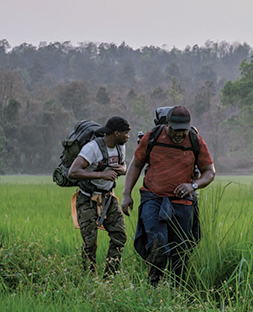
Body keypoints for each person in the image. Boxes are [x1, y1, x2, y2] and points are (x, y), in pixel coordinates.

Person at [120, 106, 215, 286]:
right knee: (158, 241)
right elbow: (136, 165)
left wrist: (193, 186)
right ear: (167, 124)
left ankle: (176, 289)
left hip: (182, 202)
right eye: (175, 130)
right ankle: (154, 285)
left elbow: (209, 171)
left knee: (181, 249)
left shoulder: (195, 141)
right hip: (153, 197)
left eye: (183, 130)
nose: (179, 134)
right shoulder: (153, 137)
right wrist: (126, 194)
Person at [67, 116, 131, 275]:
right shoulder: (92, 149)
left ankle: (110, 277)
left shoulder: (120, 147)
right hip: (87, 198)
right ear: (116, 133)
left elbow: (123, 164)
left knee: (120, 236)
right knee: (90, 244)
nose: (128, 136)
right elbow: (73, 172)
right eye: (126, 133)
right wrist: (101, 175)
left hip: (108, 198)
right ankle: (89, 278)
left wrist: (123, 169)